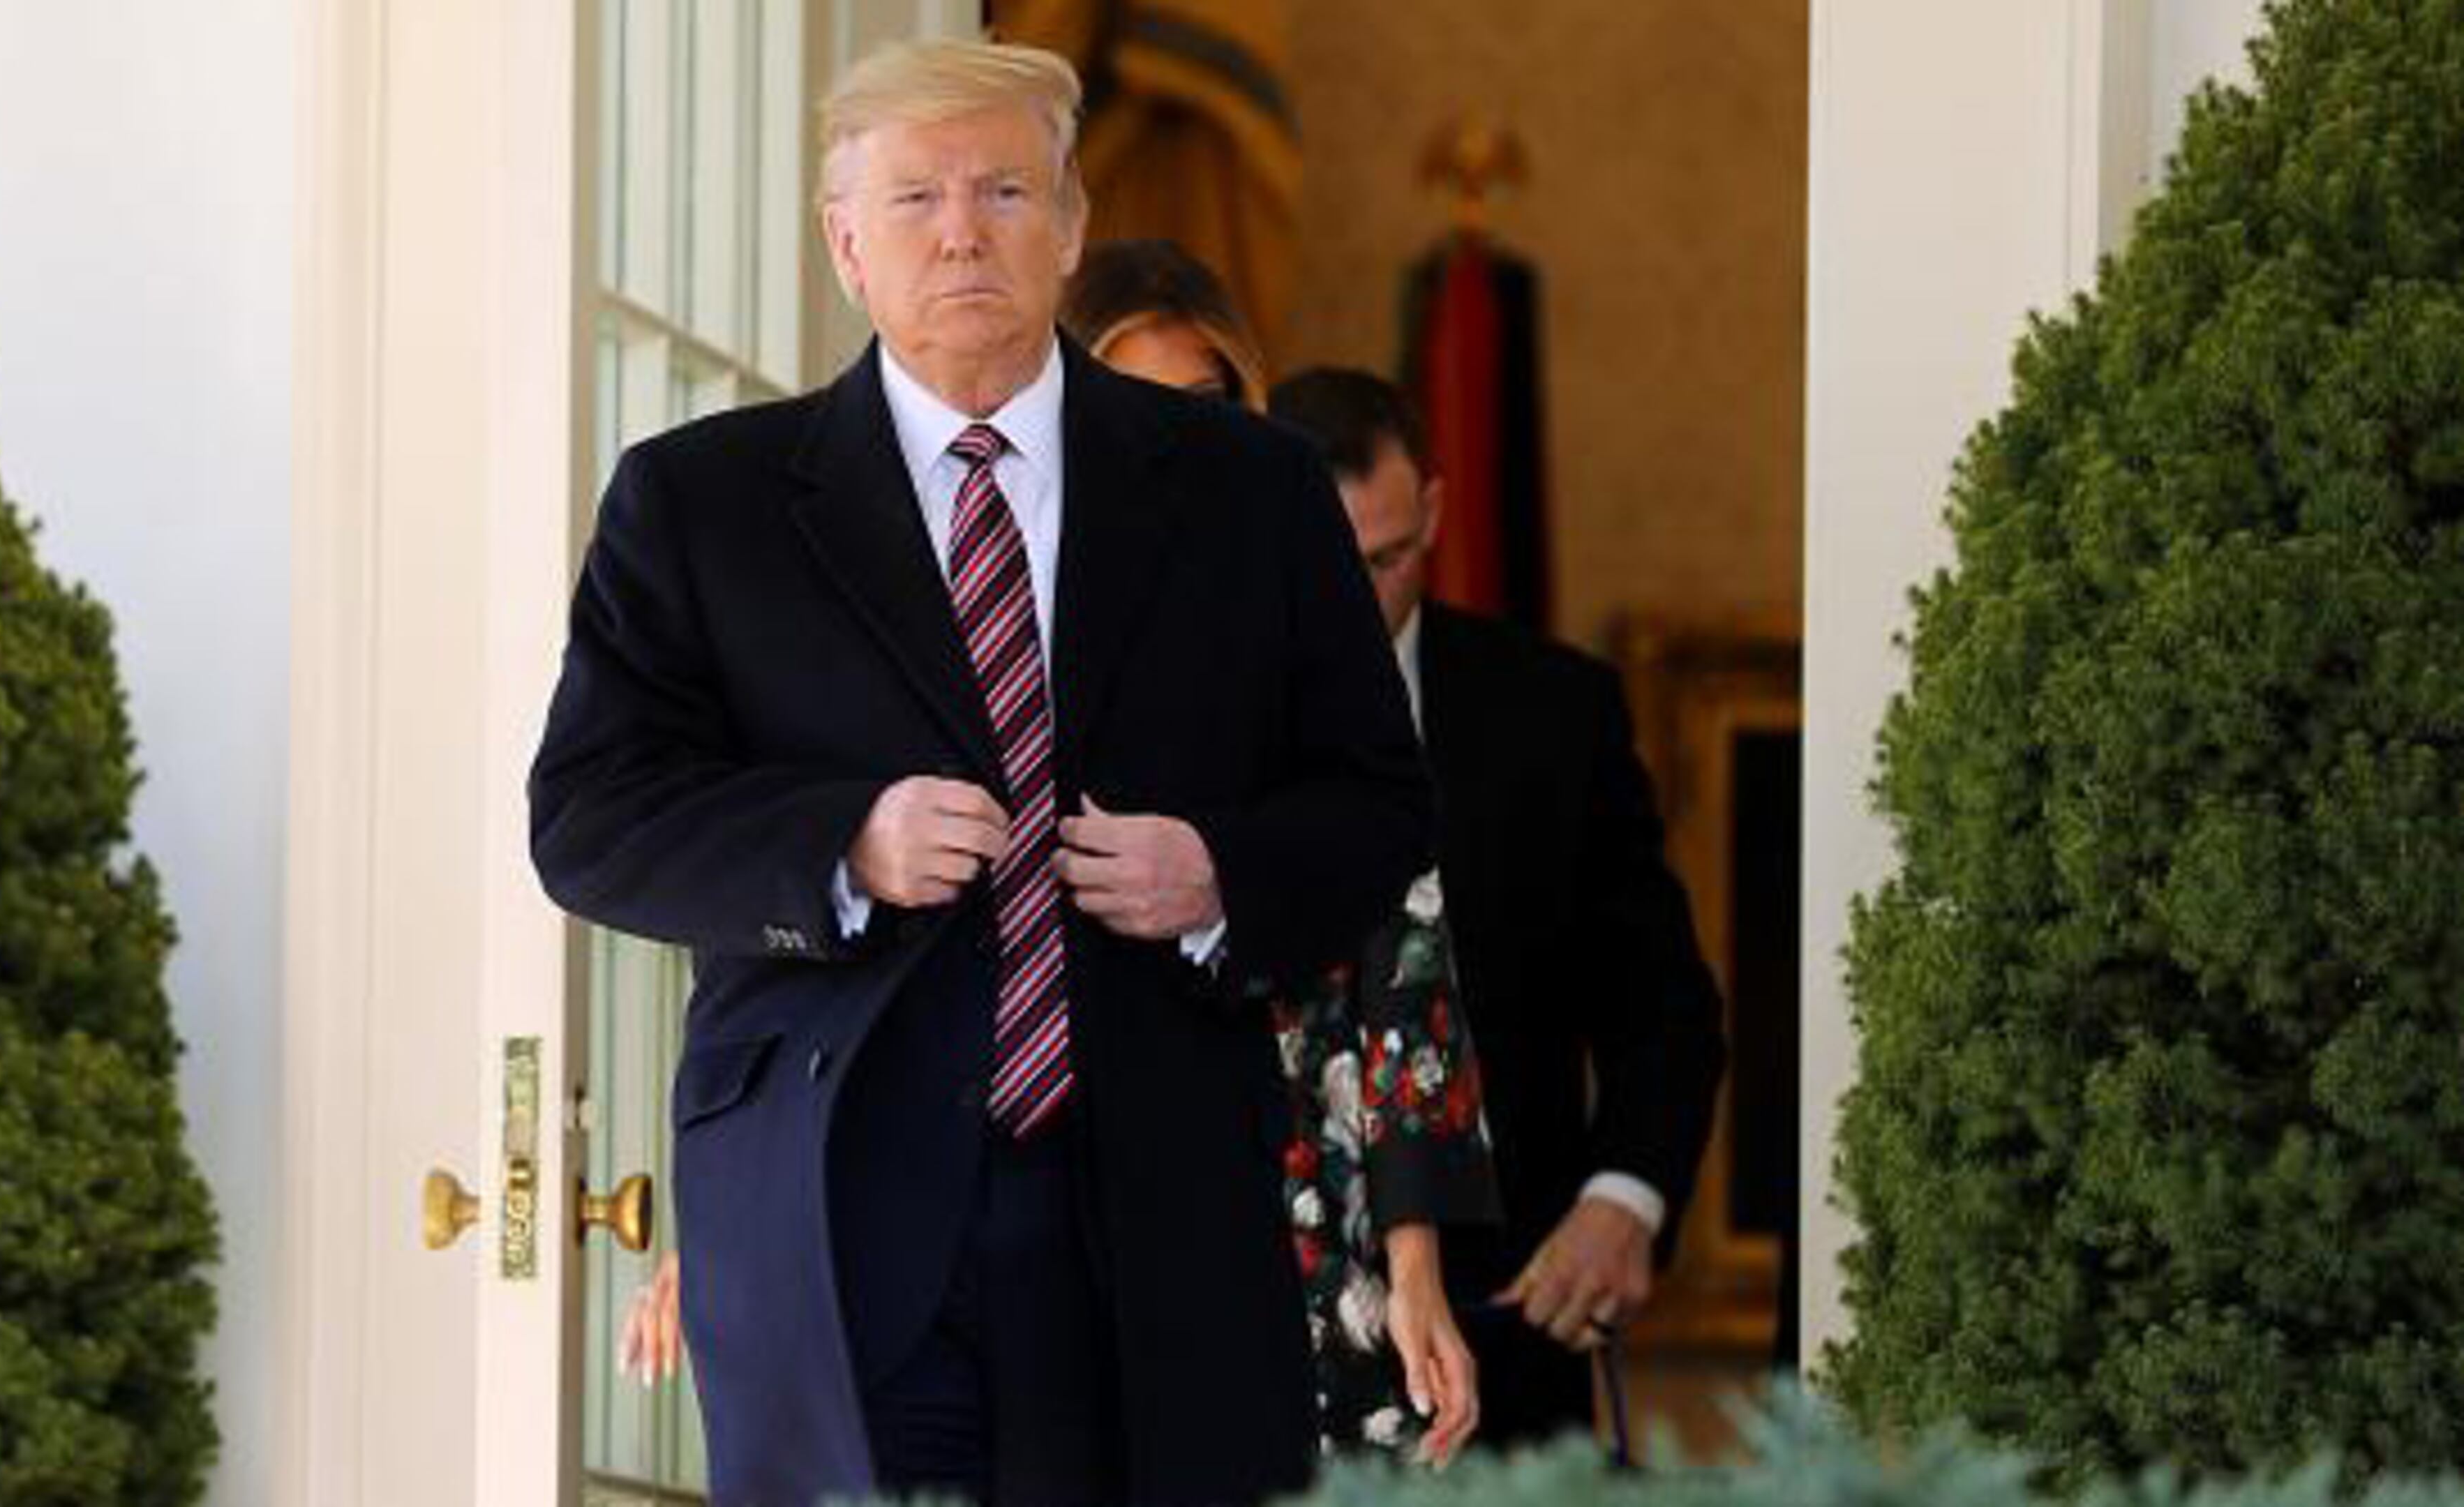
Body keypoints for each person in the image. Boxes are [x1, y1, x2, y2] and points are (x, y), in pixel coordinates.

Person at [530, 40, 1432, 1507]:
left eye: (1006, 188)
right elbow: (588, 821)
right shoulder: (702, 502)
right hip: (832, 1201)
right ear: (845, 243)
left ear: (1069, 228)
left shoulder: (1247, 491)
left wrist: (1218, 876)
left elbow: (1380, 801)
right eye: (915, 198)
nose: (963, 230)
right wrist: (844, 844)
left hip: (1154, 1197)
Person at [1059, 237, 1495, 1464]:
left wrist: (1415, 1266)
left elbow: (1400, 932)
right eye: (1127, 397)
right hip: (1068, 1173)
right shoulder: (1004, 606)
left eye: (1200, 403)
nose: (1165, 435)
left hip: (1303, 1177)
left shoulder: (1300, 615)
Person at [1266, 368, 1727, 1450]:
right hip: (1257, 1330)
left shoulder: (1556, 713)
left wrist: (1627, 1200)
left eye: (1385, 561)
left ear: (1432, 509)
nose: (1354, 601)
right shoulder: (1189, 718)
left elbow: (1663, 1009)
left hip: (1505, 1325)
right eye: (1324, 564)